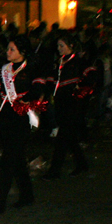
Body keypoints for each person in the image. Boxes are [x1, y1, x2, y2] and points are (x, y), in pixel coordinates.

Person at [0, 35, 45, 215]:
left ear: (22, 52)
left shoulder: (32, 68)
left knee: (8, 162)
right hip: (6, 117)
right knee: (16, 160)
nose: (7, 52)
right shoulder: (4, 69)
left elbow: (39, 87)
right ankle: (27, 196)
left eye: (12, 49)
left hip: (22, 117)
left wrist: (27, 99)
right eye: (8, 49)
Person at [42, 34, 96, 179]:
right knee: (69, 136)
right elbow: (51, 80)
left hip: (73, 105)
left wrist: (81, 91)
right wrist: (46, 93)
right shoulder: (58, 62)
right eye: (58, 46)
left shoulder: (79, 62)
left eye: (62, 46)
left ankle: (54, 170)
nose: (59, 49)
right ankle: (81, 163)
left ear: (71, 46)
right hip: (60, 103)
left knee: (62, 137)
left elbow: (91, 77)